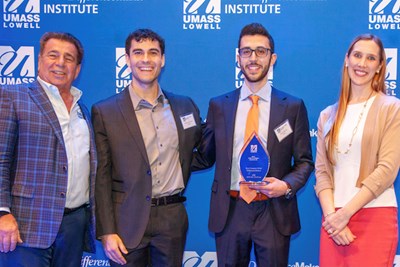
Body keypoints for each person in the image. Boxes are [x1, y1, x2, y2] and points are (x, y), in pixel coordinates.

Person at [197, 23, 314, 266]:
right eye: (246, 51)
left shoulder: (292, 107)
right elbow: (204, 156)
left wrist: (286, 185)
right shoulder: (219, 106)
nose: (253, 58)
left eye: (261, 51)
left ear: (273, 58)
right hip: (230, 210)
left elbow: (304, 162)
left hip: (274, 211)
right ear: (238, 57)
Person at [92, 28, 205, 267]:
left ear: (162, 60)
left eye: (153, 53)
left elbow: (199, 154)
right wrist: (106, 231)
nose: (146, 59)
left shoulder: (185, 106)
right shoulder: (105, 112)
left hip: (172, 218)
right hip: (126, 221)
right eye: (138, 52)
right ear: (127, 59)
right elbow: (101, 177)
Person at [0, 32, 96, 266]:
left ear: (78, 68)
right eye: (53, 55)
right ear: (40, 59)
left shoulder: (82, 109)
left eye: (69, 58)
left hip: (74, 223)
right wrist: (2, 213)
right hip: (27, 224)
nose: (61, 63)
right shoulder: (14, 97)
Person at [315, 34, 400, 267]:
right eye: (357, 55)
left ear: (380, 66)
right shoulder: (327, 115)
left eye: (371, 58)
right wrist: (333, 217)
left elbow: (387, 169)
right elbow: (322, 173)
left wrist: (345, 215)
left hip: (375, 216)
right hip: (332, 221)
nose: (362, 64)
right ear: (346, 59)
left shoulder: (392, 108)